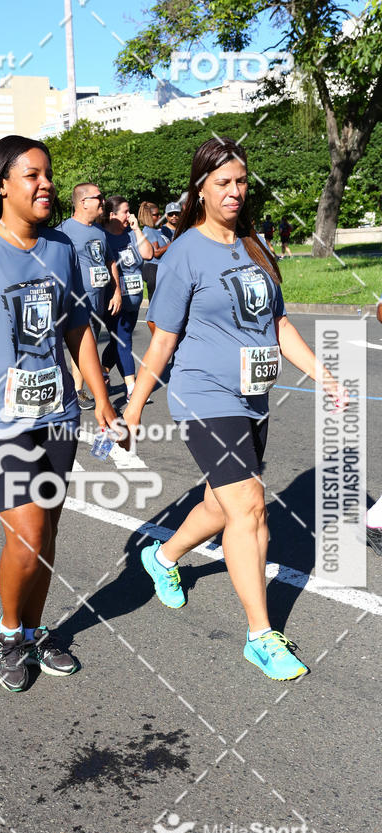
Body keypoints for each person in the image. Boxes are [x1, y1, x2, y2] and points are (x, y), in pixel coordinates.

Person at [123, 136, 346, 682]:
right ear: (200, 189)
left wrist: (322, 373)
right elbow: (162, 338)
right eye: (223, 182)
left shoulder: (255, 245)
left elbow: (279, 324)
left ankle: (163, 556)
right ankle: (260, 636)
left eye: (241, 181)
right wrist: (133, 408)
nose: (235, 191)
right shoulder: (183, 254)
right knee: (249, 507)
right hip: (203, 395)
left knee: (220, 505)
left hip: (253, 395)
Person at [0, 135, 123, 693]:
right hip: (0, 419)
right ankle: (9, 633)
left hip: (58, 415)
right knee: (28, 532)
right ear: (2, 185)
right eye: (33, 176)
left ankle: (36, 629)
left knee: (48, 532)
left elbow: (77, 330)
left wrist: (103, 401)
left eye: (48, 175)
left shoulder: (61, 247)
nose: (46, 185)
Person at [57, 183, 122, 410]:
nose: (103, 201)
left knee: (86, 346)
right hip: (77, 302)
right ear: (84, 202)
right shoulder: (63, 231)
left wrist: (116, 291)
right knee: (87, 346)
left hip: (98, 301)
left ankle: (77, 390)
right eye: (99, 197)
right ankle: (89, 392)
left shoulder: (99, 231)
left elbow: (109, 261)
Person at [101, 195, 154, 404]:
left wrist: (137, 229)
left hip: (134, 300)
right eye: (125, 212)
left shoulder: (132, 235)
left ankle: (102, 372)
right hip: (115, 300)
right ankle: (132, 388)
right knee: (124, 340)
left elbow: (148, 254)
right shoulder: (103, 237)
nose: (129, 215)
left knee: (117, 342)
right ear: (112, 215)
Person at [138, 201, 169, 302]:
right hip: (153, 269)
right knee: (156, 303)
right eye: (156, 214)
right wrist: (172, 244)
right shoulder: (148, 231)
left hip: (160, 269)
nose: (159, 216)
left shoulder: (156, 231)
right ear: (148, 216)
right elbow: (156, 252)